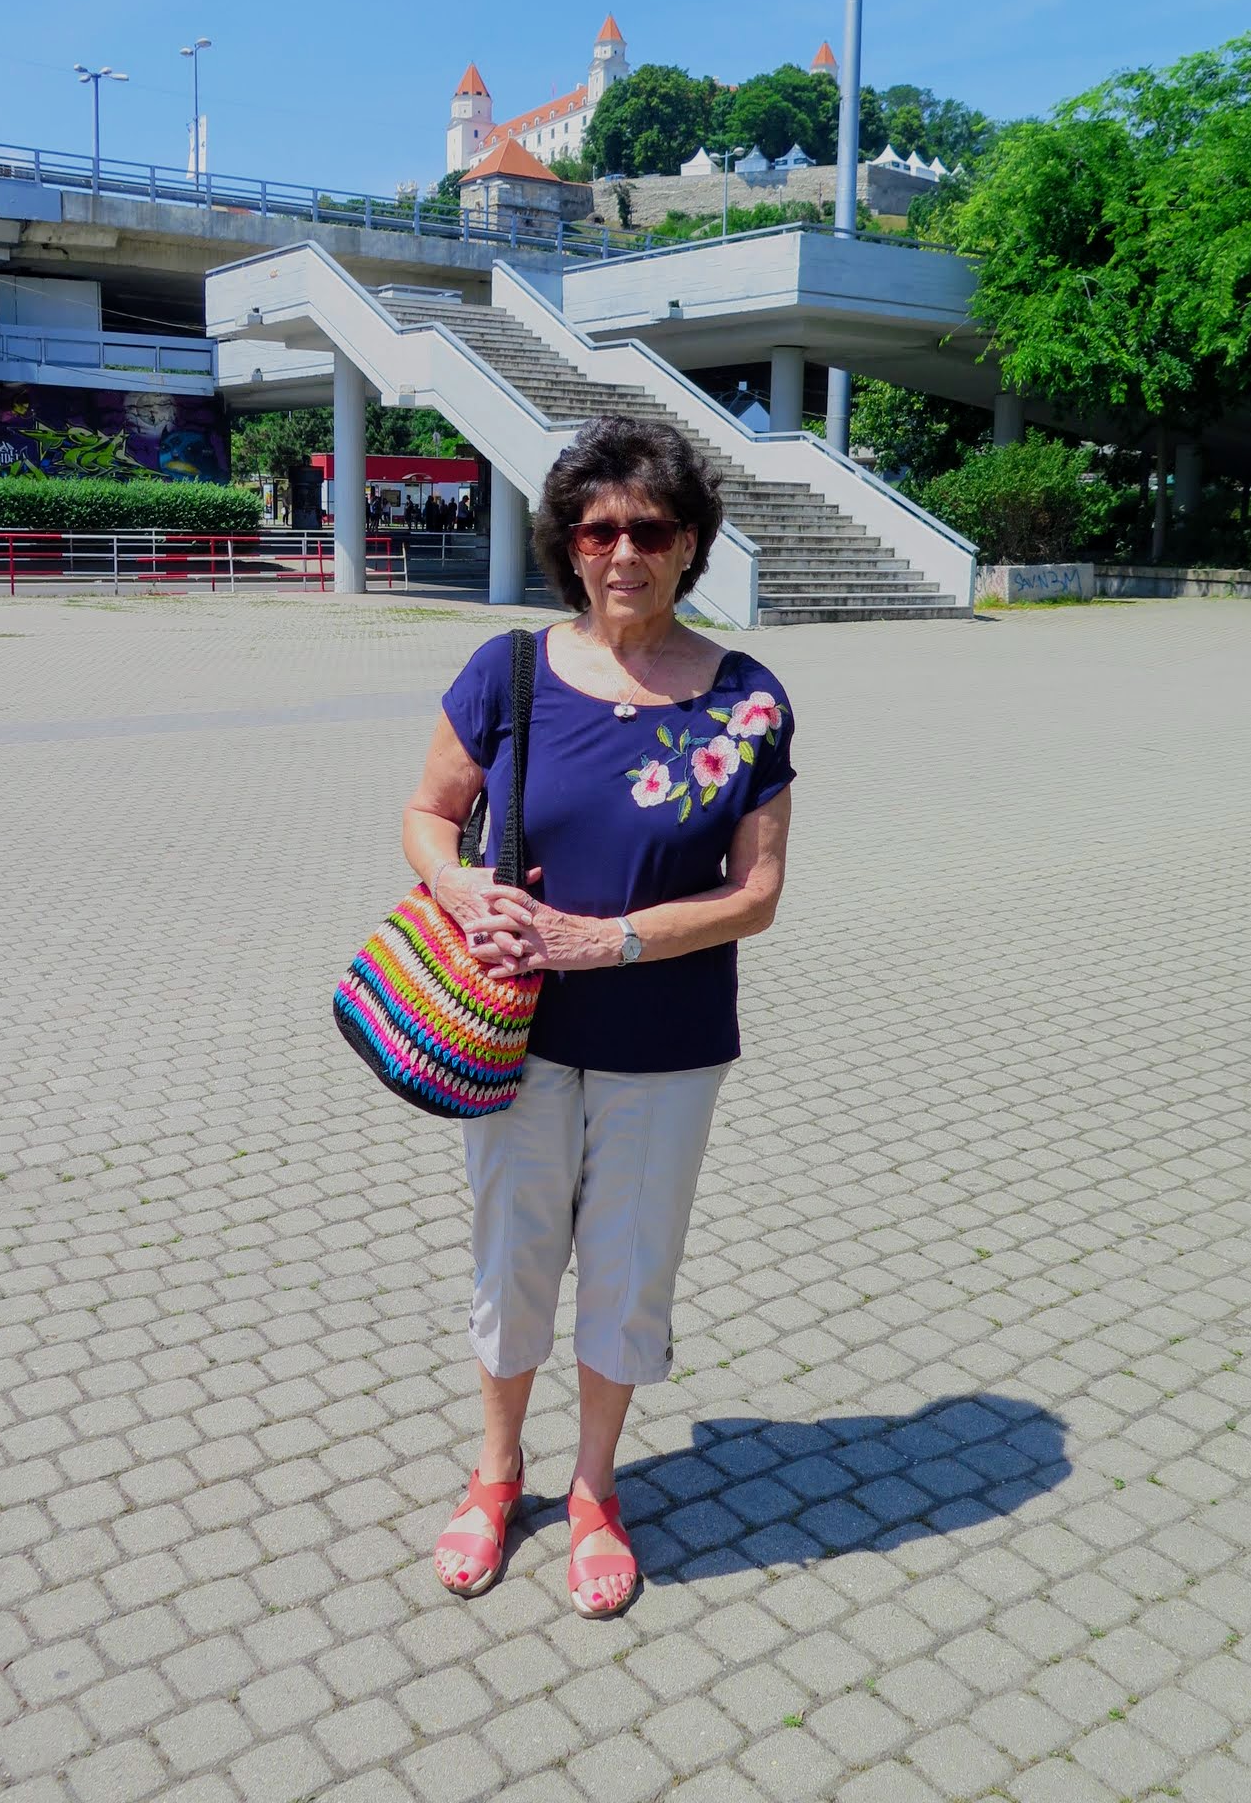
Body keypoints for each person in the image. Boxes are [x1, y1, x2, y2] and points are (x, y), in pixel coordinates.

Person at [402, 416, 795, 1620]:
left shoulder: (746, 699)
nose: (624, 551)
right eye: (598, 528)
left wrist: (608, 939)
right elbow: (427, 812)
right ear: (568, 543)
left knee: (628, 1271)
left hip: (667, 1045)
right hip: (512, 1035)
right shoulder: (508, 671)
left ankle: (592, 1488)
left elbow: (758, 894)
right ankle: (495, 1473)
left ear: (691, 544)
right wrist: (459, 886)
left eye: (652, 529)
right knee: (512, 1255)